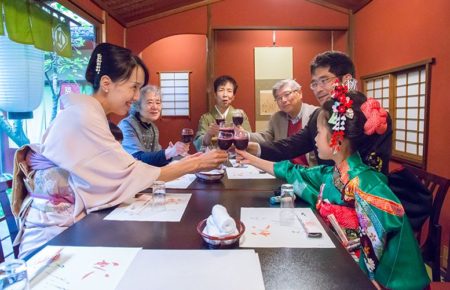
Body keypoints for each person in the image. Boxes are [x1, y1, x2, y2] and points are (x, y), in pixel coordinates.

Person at [12, 43, 227, 258]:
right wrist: (195, 164)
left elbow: (124, 171)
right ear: (107, 83)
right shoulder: (83, 117)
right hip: (52, 238)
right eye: (134, 87)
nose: (136, 97)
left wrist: (189, 163)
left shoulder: (89, 114)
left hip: (71, 228)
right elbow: (130, 171)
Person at [236, 87, 429, 290]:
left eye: (318, 133)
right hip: (342, 263)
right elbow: (294, 172)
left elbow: (377, 254)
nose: (315, 139)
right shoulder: (334, 173)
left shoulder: (368, 188)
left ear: (336, 139)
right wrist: (251, 159)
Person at [247, 51, 392, 175]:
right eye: (314, 83)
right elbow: (291, 145)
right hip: (325, 191)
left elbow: (375, 168)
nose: (318, 89)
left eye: (324, 80)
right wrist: (252, 147)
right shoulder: (318, 116)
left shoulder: (373, 115)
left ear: (346, 79)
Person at [249, 79, 318, 166]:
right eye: (278, 98)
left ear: (300, 93)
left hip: (310, 172)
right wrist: (245, 135)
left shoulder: (315, 115)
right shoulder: (276, 118)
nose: (283, 100)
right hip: (284, 172)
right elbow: (265, 137)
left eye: (287, 94)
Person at [119, 85, 189, 166]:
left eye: (158, 102)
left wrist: (172, 153)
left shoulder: (153, 128)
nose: (155, 107)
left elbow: (155, 159)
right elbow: (137, 158)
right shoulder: (126, 125)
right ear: (137, 105)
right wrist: (169, 152)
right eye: (150, 102)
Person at [193, 75, 252, 151]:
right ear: (215, 94)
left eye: (229, 91)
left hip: (236, 157)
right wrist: (209, 134)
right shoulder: (205, 117)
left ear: (233, 96)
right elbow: (199, 142)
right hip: (213, 158)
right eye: (221, 90)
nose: (225, 95)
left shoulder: (240, 115)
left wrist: (242, 133)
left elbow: (250, 139)